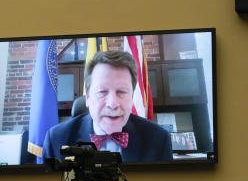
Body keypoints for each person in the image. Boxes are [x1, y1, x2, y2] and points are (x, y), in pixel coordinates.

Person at [41, 50, 173, 163]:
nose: (113, 104)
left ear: (132, 97)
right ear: (88, 98)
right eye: (102, 92)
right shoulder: (57, 140)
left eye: (121, 92)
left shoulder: (158, 140)